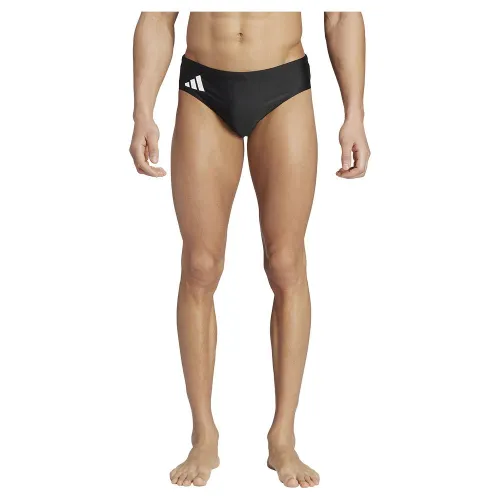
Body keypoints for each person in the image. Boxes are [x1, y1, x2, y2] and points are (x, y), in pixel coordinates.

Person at [129, 11, 370, 488]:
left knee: (286, 263)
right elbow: (156, 14)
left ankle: (283, 436)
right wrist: (142, 110)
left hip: (284, 84)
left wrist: (355, 113)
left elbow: (342, 14)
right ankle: (203, 433)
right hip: (203, 84)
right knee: (200, 265)